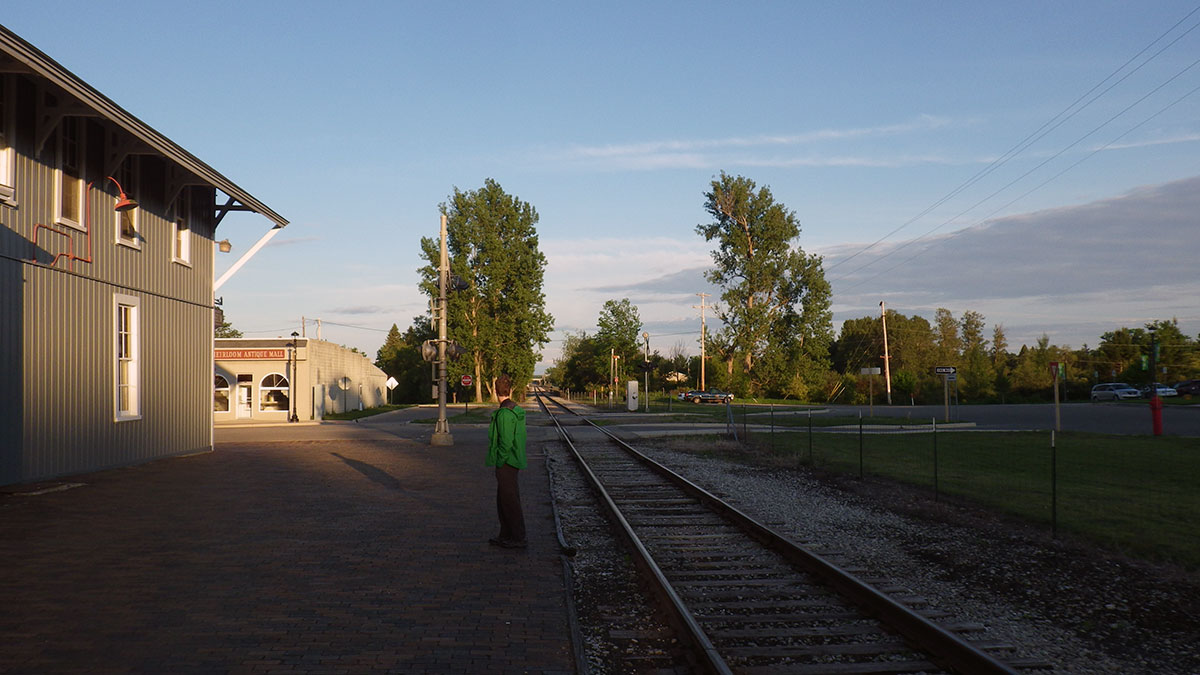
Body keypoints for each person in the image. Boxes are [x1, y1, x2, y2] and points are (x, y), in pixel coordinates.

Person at [486, 374, 527, 548]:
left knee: (509, 500)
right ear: (509, 390)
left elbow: (506, 442)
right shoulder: (514, 409)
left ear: (496, 392)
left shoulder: (504, 413)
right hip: (513, 460)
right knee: (504, 498)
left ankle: (517, 537)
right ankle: (506, 534)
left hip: (507, 462)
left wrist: (500, 461)